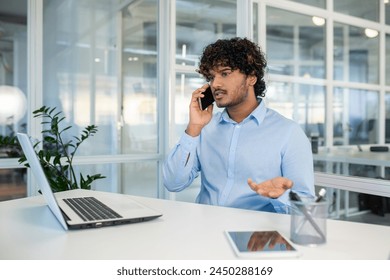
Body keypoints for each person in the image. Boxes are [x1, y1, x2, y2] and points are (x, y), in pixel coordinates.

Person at [163, 37, 314, 213]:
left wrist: (279, 196)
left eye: (225, 73)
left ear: (251, 78)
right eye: (211, 77)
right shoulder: (205, 128)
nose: (215, 84)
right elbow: (173, 183)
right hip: (205, 231)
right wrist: (193, 128)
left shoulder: (288, 132)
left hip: (255, 236)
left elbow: (306, 206)